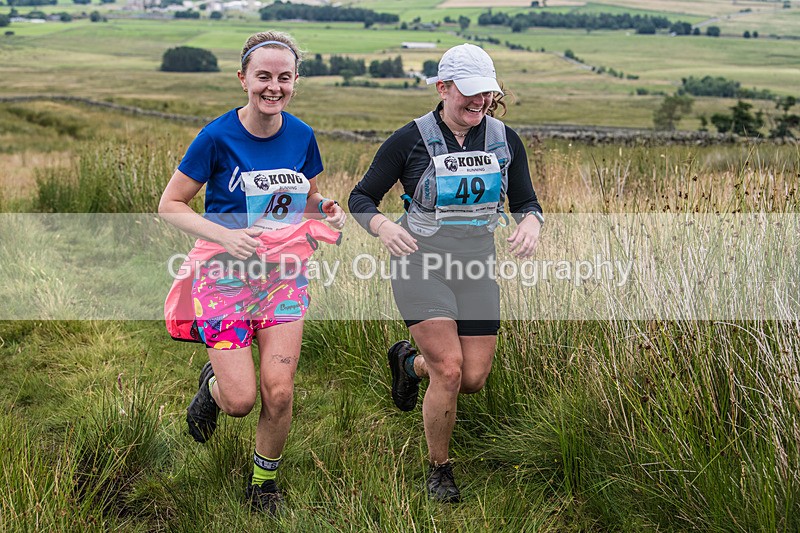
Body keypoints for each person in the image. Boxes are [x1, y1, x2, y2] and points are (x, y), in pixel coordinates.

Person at [158, 31, 346, 514]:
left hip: (282, 275)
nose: (273, 86)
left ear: (295, 81)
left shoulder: (302, 136)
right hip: (222, 275)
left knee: (279, 392)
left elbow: (304, 198)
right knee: (240, 400)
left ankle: (263, 486)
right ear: (243, 79)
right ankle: (213, 385)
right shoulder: (216, 137)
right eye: (263, 76)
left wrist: (325, 208)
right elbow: (170, 204)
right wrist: (223, 236)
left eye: (284, 77)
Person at [348, 43, 543, 503]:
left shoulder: (503, 139)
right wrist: (381, 227)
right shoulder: (409, 140)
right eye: (469, 94)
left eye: (487, 95)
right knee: (450, 370)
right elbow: (362, 197)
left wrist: (531, 223)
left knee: (472, 378)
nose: (479, 103)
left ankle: (408, 364)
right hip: (420, 263)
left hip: (475, 267)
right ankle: (440, 468)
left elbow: (525, 202)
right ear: (443, 88)